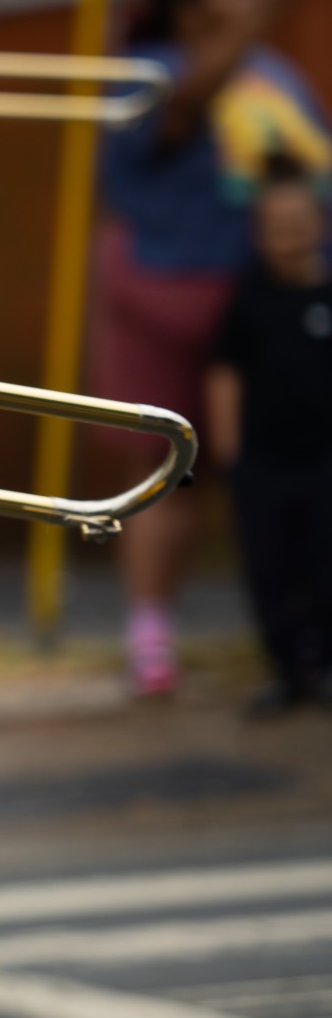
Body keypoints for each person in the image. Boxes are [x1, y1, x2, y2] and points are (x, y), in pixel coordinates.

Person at [94, 0, 330, 696]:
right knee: (172, 472)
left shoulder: (270, 67)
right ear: (189, 8)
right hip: (171, 293)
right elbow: (188, 105)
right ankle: (152, 639)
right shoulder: (150, 70)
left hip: (272, 302)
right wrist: (263, 7)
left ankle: (303, 641)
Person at [205, 153, 332, 715]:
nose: (290, 238)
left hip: (325, 461)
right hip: (265, 462)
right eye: (277, 227)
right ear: (259, 235)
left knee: (324, 563)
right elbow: (224, 375)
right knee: (270, 569)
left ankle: (324, 665)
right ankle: (285, 669)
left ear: (320, 226)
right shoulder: (248, 302)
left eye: (300, 224)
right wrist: (231, 452)